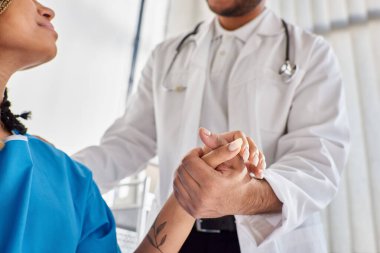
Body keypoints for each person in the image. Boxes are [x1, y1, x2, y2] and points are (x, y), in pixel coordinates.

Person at [74, 0, 350, 252]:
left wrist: (242, 197)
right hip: (177, 236)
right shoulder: (168, 55)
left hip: (263, 239)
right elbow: (127, 143)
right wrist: (57, 174)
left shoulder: (310, 53)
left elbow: (316, 163)